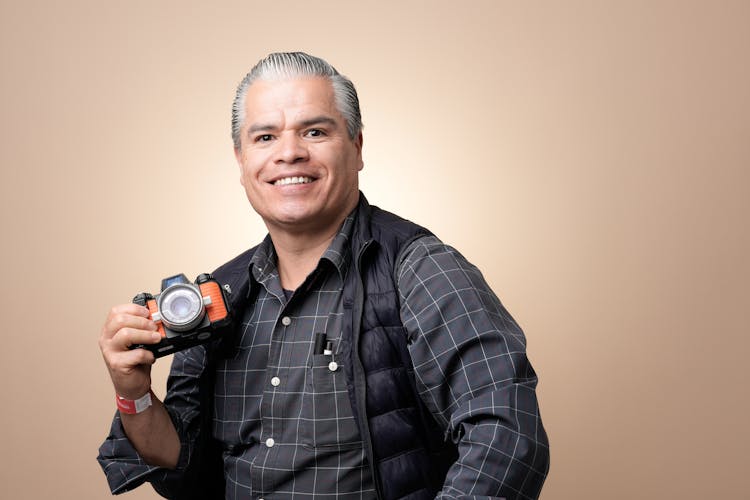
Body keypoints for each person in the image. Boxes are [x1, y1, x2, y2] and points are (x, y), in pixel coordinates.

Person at [98, 52, 549, 500]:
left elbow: (507, 438)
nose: (289, 153)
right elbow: (182, 468)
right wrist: (132, 391)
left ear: (356, 147)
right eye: (265, 137)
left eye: (314, 131)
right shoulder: (222, 293)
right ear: (241, 160)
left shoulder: (420, 269)